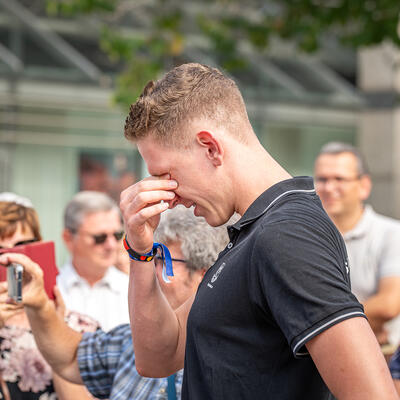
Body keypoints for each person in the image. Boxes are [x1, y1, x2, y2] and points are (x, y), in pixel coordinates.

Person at [119, 63, 398, 399]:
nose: (171, 197)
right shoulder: (258, 230)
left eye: (167, 175)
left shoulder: (285, 234)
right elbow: (157, 356)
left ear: (210, 147)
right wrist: (139, 248)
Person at [0, 206, 229, 400]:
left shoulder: (232, 361)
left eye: (163, 260)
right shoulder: (134, 342)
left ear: (205, 274)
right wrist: (39, 304)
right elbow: (71, 358)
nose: (152, 270)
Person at [0, 192, 98, 400]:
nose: (11, 260)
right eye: (1, 251)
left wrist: (52, 325)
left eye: (21, 246)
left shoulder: (81, 327)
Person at [314, 142, 400, 347]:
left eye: (339, 179)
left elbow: (389, 305)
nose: (328, 187)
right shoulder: (307, 237)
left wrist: (318, 320)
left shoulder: (392, 234)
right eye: (322, 179)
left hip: (385, 361)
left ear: (364, 186)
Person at [58, 191, 129, 331]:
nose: (111, 245)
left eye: (117, 235)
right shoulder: (51, 291)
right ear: (68, 238)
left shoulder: (132, 290)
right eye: (99, 238)